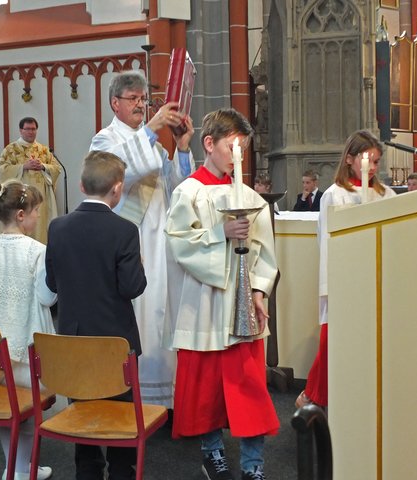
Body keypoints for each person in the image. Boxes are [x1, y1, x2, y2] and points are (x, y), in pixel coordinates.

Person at [165, 108, 279, 480]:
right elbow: (179, 244)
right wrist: (221, 234)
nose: (237, 155)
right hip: (204, 303)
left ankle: (253, 464)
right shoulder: (188, 191)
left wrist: (259, 291)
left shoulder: (250, 196)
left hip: (242, 307)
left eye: (243, 148)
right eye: (232, 147)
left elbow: (264, 251)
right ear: (209, 144)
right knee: (207, 392)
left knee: (250, 389)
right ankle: (212, 453)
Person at [90, 70, 195, 408]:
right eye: (132, 98)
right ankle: (134, 396)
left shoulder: (153, 146)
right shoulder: (104, 140)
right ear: (115, 103)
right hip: (129, 240)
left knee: (162, 314)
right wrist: (151, 129)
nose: (139, 104)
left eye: (142, 99)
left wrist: (182, 148)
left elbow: (177, 189)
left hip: (160, 241)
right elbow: (118, 173)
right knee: (140, 317)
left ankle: (165, 398)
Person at [45, 150, 147, 480]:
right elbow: (132, 287)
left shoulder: (57, 227)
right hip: (115, 342)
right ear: (117, 188)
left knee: (82, 412)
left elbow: (52, 283)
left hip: (74, 339)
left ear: (81, 185)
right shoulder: (125, 230)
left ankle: (87, 472)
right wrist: (139, 267)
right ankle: (121, 472)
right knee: (121, 415)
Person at [295, 130, 396, 411]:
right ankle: (312, 396)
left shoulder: (385, 194)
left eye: (376, 161)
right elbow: (326, 242)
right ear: (349, 159)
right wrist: (330, 287)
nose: (372, 167)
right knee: (332, 343)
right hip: (344, 282)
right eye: (366, 160)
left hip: (377, 278)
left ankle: (355, 399)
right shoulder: (334, 195)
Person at [0, 179, 56, 480]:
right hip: (29, 337)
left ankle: (13, 466)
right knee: (29, 404)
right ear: (21, 215)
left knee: (4, 404)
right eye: (36, 211)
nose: (38, 216)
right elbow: (46, 297)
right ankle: (23, 469)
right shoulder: (38, 250)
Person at [0, 117, 61, 244]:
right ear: (21, 130)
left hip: (40, 199)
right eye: (27, 129)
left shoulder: (43, 150)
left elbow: (56, 168)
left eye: (33, 129)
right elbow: (2, 169)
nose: (31, 132)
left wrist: (43, 166)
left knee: (40, 229)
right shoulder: (11, 149)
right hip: (19, 198)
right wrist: (23, 167)